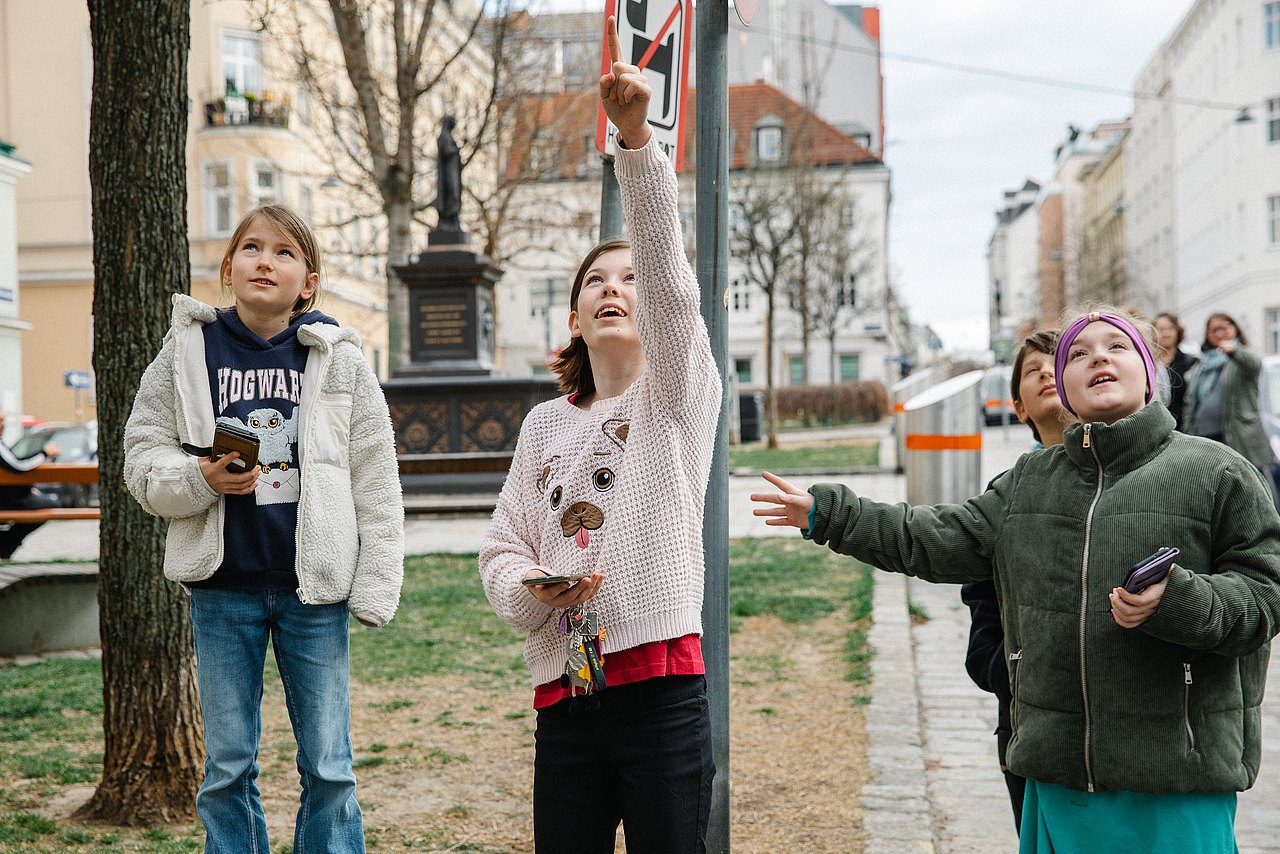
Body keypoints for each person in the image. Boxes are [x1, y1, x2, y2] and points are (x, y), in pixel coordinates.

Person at [753, 306, 1280, 853]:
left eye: (1117, 346)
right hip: (1060, 776)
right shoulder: (1028, 481)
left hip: (1178, 778)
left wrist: (1178, 600)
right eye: (1078, 353)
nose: (1098, 357)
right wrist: (831, 515)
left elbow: (1266, 596)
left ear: (1149, 371)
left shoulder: (1218, 472)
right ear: (1064, 388)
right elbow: (931, 535)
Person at [478, 19, 721, 854]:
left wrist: (635, 142)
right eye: (594, 282)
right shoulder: (545, 424)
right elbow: (502, 546)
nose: (614, 288)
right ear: (575, 318)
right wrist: (530, 588)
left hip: (661, 691)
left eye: (629, 279)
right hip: (565, 695)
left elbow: (673, 285)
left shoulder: (679, 396)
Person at [123, 204, 404, 853]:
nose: (265, 262)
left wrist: (375, 581)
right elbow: (141, 454)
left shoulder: (339, 358)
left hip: (315, 594)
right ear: (228, 267)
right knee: (227, 768)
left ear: (309, 282)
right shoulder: (188, 350)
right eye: (251, 248)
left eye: (284, 252)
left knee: (329, 765)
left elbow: (376, 476)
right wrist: (200, 479)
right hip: (223, 591)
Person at [959, 329, 1067, 833]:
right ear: (1019, 407)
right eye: (1031, 370)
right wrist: (1005, 670)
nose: (1046, 372)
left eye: (1057, 361)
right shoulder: (1005, 495)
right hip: (1026, 722)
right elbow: (982, 600)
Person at [1184, 312, 1273, 493]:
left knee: (1250, 487)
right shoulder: (1202, 364)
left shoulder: (1241, 356)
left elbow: (1255, 365)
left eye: (1223, 328)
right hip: (1205, 436)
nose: (1219, 334)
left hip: (1237, 436)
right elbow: (1191, 401)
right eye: (1213, 330)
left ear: (1235, 329)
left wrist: (1234, 351)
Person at [0, 410, 60, 560]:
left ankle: (6, 543)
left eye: (3, 420)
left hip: (8, 498)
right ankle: (6, 543)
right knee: (51, 505)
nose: (2, 425)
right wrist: (44, 453)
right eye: (0, 421)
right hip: (7, 501)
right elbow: (19, 466)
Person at [1154, 312, 1198, 433]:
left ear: (1177, 331)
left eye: (1169, 329)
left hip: (1186, 426)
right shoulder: (1150, 364)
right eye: (1161, 329)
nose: (1165, 333)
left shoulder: (1191, 362)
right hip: (1159, 427)